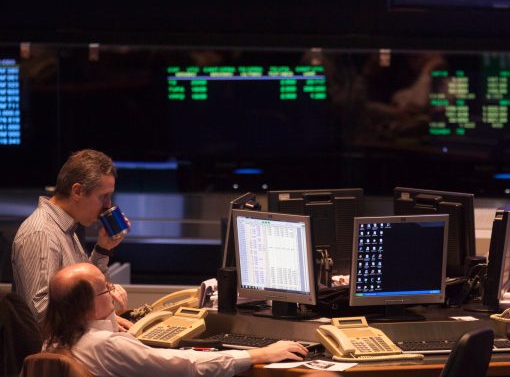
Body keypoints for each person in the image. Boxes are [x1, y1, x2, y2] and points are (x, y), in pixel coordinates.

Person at [44, 262, 308, 376]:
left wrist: (111, 317)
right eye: (106, 288)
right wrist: (257, 355)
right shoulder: (106, 345)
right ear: (86, 307)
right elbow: (186, 366)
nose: (113, 292)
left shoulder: (54, 340)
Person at [12, 149, 131, 327]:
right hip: (58, 352)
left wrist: (103, 248)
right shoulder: (41, 233)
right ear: (77, 191)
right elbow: (42, 314)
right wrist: (99, 321)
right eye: (103, 196)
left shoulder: (67, 228)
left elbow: (84, 291)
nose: (108, 205)